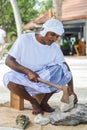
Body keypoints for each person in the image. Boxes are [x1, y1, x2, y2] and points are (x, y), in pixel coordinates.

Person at [3, 18, 78, 115]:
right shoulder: (25, 39)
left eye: (57, 36)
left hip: (43, 78)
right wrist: (28, 72)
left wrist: (71, 90)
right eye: (52, 34)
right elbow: (8, 61)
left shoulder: (55, 48)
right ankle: (34, 102)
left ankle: (43, 102)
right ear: (44, 31)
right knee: (8, 78)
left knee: (62, 69)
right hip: (24, 76)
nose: (55, 39)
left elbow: (65, 68)